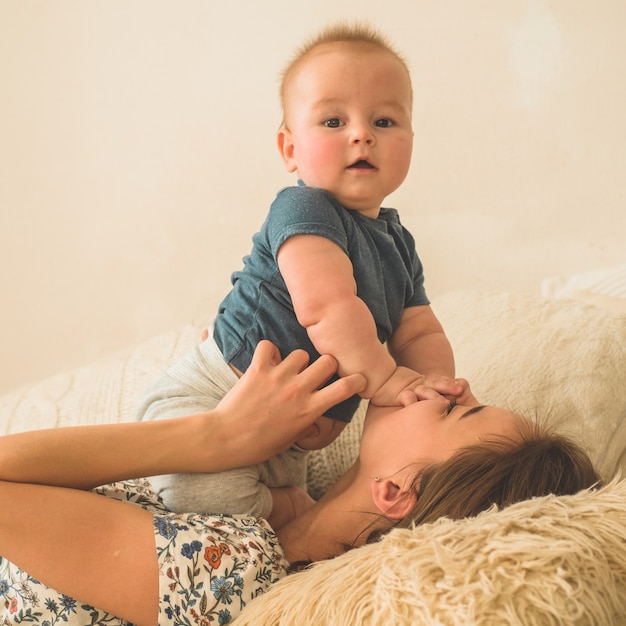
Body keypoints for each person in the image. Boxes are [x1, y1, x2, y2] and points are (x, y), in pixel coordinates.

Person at [0, 341, 600, 625]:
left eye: (457, 412)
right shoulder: (286, 485)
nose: (455, 384)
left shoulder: (238, 569)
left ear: (395, 492)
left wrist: (217, 437)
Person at [136, 22, 469, 529]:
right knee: (210, 498)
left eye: (383, 121)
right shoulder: (303, 210)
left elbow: (419, 329)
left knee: (255, 513)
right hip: (211, 400)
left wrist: (430, 386)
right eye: (334, 121)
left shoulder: (398, 243)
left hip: (285, 434)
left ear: (411, 140)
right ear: (289, 149)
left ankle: (280, 502)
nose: (361, 134)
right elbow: (328, 308)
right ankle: (281, 508)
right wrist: (385, 378)